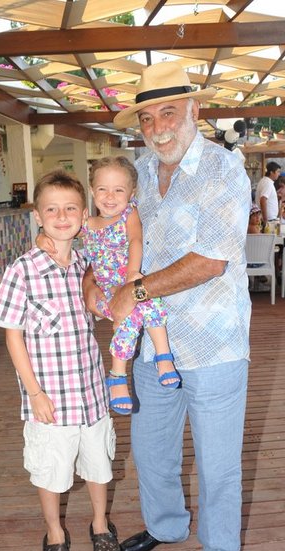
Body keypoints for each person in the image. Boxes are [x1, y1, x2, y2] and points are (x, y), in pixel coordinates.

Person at [83, 61, 252, 551]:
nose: (157, 127)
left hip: (213, 342)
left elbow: (212, 260)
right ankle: (166, 525)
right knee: (152, 449)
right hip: (150, 343)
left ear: (194, 111)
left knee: (217, 461)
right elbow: (106, 239)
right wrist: (91, 280)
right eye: (147, 118)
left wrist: (131, 292)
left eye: (169, 113)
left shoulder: (224, 170)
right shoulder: (133, 174)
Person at [0, 169, 121, 551]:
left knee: (99, 465)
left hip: (91, 392)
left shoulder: (87, 265)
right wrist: (34, 393)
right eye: (51, 210)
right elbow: (13, 336)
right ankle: (55, 534)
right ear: (37, 216)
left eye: (70, 209)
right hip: (49, 399)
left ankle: (100, 524)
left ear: (83, 214)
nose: (62, 217)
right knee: (51, 471)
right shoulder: (22, 270)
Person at [84, 156, 181, 415]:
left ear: (131, 193)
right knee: (128, 316)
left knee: (148, 300)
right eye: (102, 189)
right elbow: (59, 232)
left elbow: (135, 240)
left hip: (129, 279)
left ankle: (158, 358)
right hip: (106, 291)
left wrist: (132, 273)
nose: (110, 196)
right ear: (92, 190)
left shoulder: (129, 214)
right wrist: (43, 236)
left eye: (118, 190)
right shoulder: (86, 224)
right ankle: (119, 374)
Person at [255, 161, 281, 228]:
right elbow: (263, 199)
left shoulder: (265, 181)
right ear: (271, 172)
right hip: (269, 220)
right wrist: (265, 219)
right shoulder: (268, 183)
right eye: (278, 172)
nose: (279, 174)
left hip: (268, 218)